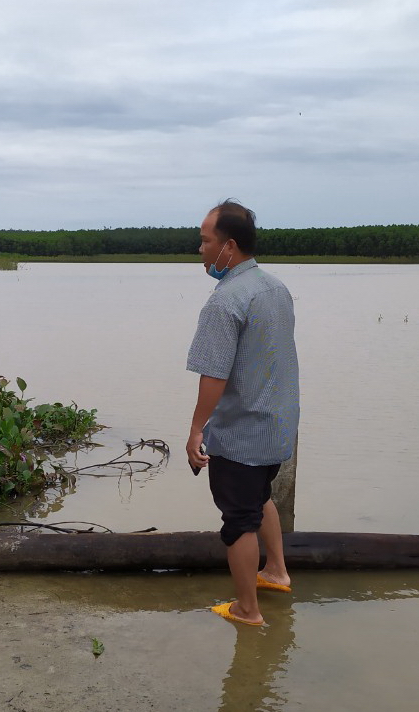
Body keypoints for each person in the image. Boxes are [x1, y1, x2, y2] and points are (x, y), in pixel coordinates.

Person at [186, 200, 299, 626]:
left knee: (237, 520)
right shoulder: (275, 288)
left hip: (242, 431)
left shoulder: (224, 301)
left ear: (228, 247)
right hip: (278, 424)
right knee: (259, 497)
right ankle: (276, 572)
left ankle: (247, 610)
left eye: (205, 240)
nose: (200, 249)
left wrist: (196, 430)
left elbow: (213, 376)